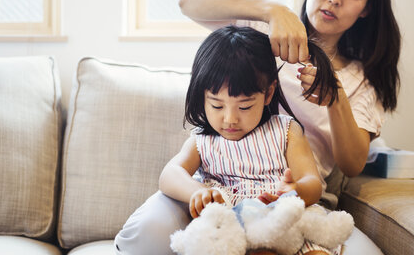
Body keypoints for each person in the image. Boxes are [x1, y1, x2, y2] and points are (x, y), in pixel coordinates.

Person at [178, 0, 400, 255]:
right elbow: (188, 3)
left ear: (366, 9)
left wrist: (335, 97)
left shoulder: (361, 81)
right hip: (227, 188)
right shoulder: (262, 35)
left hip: (300, 199)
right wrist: (271, 10)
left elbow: (352, 164)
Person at [115, 25, 341, 255]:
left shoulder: (286, 130)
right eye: (217, 105)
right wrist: (196, 191)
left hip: (281, 218)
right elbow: (170, 174)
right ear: (202, 96)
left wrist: (293, 191)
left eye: (244, 106)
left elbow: (312, 182)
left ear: (269, 93)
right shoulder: (202, 141)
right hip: (230, 228)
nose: (230, 119)